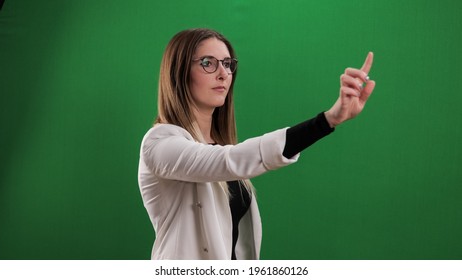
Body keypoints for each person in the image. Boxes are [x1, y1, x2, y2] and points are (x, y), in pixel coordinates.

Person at [137, 28, 376, 260]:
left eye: (228, 64)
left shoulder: (219, 145)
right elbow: (229, 161)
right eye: (208, 63)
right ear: (178, 72)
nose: (223, 73)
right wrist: (327, 120)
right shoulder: (159, 143)